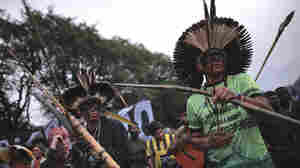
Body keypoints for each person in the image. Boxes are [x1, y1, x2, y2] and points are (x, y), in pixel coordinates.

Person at [173, 0, 274, 167]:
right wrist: (209, 142)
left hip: (259, 162)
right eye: (210, 57)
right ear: (200, 65)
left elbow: (268, 110)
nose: (217, 59)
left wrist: (238, 98)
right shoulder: (193, 101)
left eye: (220, 55)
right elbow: (196, 139)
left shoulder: (242, 80)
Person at [61, 71, 129, 168]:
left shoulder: (115, 126)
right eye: (87, 107)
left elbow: (125, 154)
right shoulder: (80, 134)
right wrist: (83, 155)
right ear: (80, 112)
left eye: (96, 106)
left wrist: (101, 153)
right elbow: (76, 163)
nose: (93, 110)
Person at [259, 75, 300, 167]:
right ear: (267, 102)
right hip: (279, 155)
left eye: (276, 98)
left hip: (294, 150)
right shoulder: (264, 120)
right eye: (272, 99)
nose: (276, 100)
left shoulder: (287, 113)